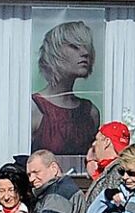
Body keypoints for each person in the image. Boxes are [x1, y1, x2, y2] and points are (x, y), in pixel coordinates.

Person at [31, 20, 100, 170]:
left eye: (87, 47)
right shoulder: (35, 108)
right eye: (74, 46)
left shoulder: (90, 112)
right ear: (54, 53)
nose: (85, 53)